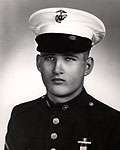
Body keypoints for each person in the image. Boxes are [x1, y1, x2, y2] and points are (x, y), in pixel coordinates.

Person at [5, 7, 120, 150]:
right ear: (38, 63)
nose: (57, 69)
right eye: (50, 58)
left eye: (69, 58)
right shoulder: (22, 116)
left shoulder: (112, 123)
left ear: (87, 66)